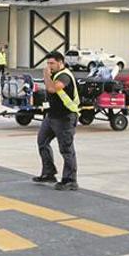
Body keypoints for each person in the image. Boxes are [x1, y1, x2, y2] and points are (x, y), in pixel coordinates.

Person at [33, 51, 80, 191]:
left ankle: (70, 180)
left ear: (61, 62)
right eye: (47, 63)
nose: (49, 66)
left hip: (65, 117)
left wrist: (46, 74)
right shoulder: (55, 74)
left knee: (66, 149)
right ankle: (49, 173)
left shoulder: (64, 76)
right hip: (52, 116)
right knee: (42, 141)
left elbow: (52, 89)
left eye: (52, 63)